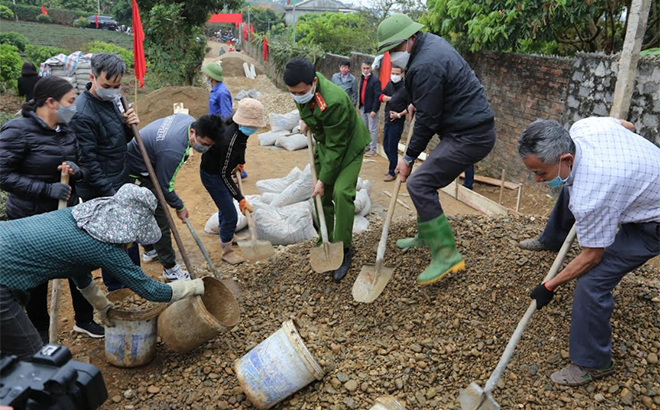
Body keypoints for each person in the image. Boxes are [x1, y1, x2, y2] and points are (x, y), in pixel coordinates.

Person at [517, 117, 660, 386]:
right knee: (568, 186)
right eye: (533, 172)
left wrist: (550, 285)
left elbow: (592, 256)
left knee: (592, 281)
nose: (536, 180)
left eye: (541, 173)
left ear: (567, 158)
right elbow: (626, 125)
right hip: (640, 183)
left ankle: (593, 363)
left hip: (653, 223)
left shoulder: (592, 195)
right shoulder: (585, 127)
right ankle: (552, 239)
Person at [0, 184, 206, 360]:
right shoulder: (106, 249)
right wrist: (191, 286)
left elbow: (76, 268)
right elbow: (151, 291)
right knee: (34, 358)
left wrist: (101, 305)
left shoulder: (80, 216)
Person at [376, 14, 497, 285]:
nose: (392, 56)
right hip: (463, 128)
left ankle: (446, 255)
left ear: (409, 40)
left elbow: (428, 119)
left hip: (470, 135)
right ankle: (426, 234)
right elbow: (411, 85)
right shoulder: (427, 46)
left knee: (419, 182)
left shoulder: (426, 63)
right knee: (423, 181)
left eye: (394, 49)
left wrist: (407, 158)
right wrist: (397, 102)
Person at [0, 76, 103, 340]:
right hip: (30, 220)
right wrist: (46, 189)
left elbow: (84, 165)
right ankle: (41, 334)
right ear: (50, 102)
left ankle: (84, 320)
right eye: (70, 101)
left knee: (79, 264)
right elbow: (2, 174)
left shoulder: (66, 130)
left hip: (65, 215)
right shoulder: (17, 131)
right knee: (37, 280)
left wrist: (78, 172)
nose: (74, 107)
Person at [283, 57, 371, 282]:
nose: (297, 96)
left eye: (301, 92)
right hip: (326, 143)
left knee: (341, 192)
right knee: (319, 195)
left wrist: (323, 179)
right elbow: (306, 107)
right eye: (293, 92)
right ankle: (326, 239)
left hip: (348, 146)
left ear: (313, 83)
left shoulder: (334, 101)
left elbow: (337, 146)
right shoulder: (302, 88)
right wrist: (306, 120)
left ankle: (343, 249)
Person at [70, 52, 141, 292]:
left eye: (117, 85)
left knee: (128, 234)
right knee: (112, 239)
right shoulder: (82, 113)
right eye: (107, 85)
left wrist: (127, 125)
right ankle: (116, 288)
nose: (112, 90)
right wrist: (113, 195)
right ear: (92, 77)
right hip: (101, 188)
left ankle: (134, 282)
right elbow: (89, 162)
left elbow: (116, 142)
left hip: (118, 179)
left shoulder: (110, 101)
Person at [126, 114, 221, 281]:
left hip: (145, 159)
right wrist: (179, 206)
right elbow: (165, 186)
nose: (204, 148)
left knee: (146, 211)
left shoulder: (187, 119)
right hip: (135, 170)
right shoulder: (173, 150)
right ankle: (170, 269)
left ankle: (150, 250)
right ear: (193, 132)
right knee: (161, 218)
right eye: (204, 144)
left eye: (209, 146)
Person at [200, 98, 266, 265]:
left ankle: (226, 233)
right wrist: (240, 198)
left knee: (226, 205)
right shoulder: (227, 140)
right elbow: (223, 175)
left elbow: (242, 144)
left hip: (221, 171)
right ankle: (227, 252)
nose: (254, 128)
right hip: (212, 175)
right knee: (230, 213)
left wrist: (240, 162)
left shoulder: (240, 130)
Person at [378, 65, 409, 182]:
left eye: (397, 74)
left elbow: (410, 106)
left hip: (397, 123)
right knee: (386, 145)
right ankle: (395, 166)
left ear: (401, 75)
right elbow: (380, 96)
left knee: (392, 147)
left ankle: (392, 172)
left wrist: (398, 115)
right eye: (393, 73)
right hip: (387, 120)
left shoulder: (406, 89)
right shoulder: (390, 84)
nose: (394, 76)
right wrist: (388, 98)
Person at [358, 60, 381, 157]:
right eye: (364, 68)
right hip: (363, 107)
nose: (366, 70)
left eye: (367, 68)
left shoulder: (375, 81)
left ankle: (373, 149)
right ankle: (367, 145)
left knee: (373, 129)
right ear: (361, 68)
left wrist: (374, 110)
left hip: (371, 109)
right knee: (365, 128)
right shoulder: (362, 78)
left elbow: (377, 96)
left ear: (371, 68)